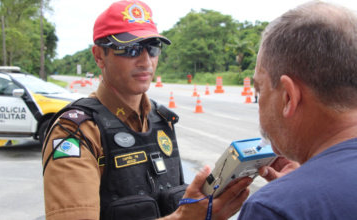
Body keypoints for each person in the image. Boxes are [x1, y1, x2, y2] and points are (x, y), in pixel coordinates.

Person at [42, 1, 251, 220]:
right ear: (99, 56)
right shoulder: (75, 132)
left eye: (152, 48)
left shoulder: (162, 120)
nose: (146, 61)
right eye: (130, 49)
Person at [237, 1, 357, 219]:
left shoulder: (274, 209)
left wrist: (292, 194)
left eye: (259, 90)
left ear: (289, 97)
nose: (258, 103)